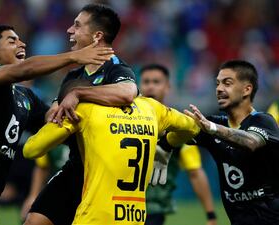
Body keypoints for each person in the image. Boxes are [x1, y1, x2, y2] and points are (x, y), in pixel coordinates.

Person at [0, 25, 113, 225]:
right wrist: (74, 56)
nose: (22, 43)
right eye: (12, 40)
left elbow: (55, 123)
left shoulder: (26, 98)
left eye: (20, 40)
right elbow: (26, 69)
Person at [23, 80, 200, 225]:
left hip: (95, 216)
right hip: (135, 217)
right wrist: (167, 145)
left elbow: (31, 150)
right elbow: (193, 128)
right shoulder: (152, 108)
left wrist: (55, 116)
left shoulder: (85, 110)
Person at [23, 4, 138, 225]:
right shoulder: (73, 75)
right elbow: (53, 115)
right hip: (76, 166)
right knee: (34, 221)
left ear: (97, 35)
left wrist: (78, 94)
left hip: (104, 172)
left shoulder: (117, 69)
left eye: (77, 25)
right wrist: (55, 114)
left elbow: (127, 93)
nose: (69, 30)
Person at [167, 60, 279, 225]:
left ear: (247, 89)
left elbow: (250, 142)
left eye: (227, 83)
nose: (219, 89)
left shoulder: (263, 121)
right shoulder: (214, 124)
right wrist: (165, 145)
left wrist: (212, 128)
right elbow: (182, 130)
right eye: (217, 83)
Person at [139, 64, 217, 225]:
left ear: (168, 87)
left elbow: (195, 172)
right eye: (146, 81)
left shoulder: (180, 127)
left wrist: (210, 215)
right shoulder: (126, 117)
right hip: (120, 203)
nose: (150, 86)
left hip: (153, 209)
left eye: (156, 82)